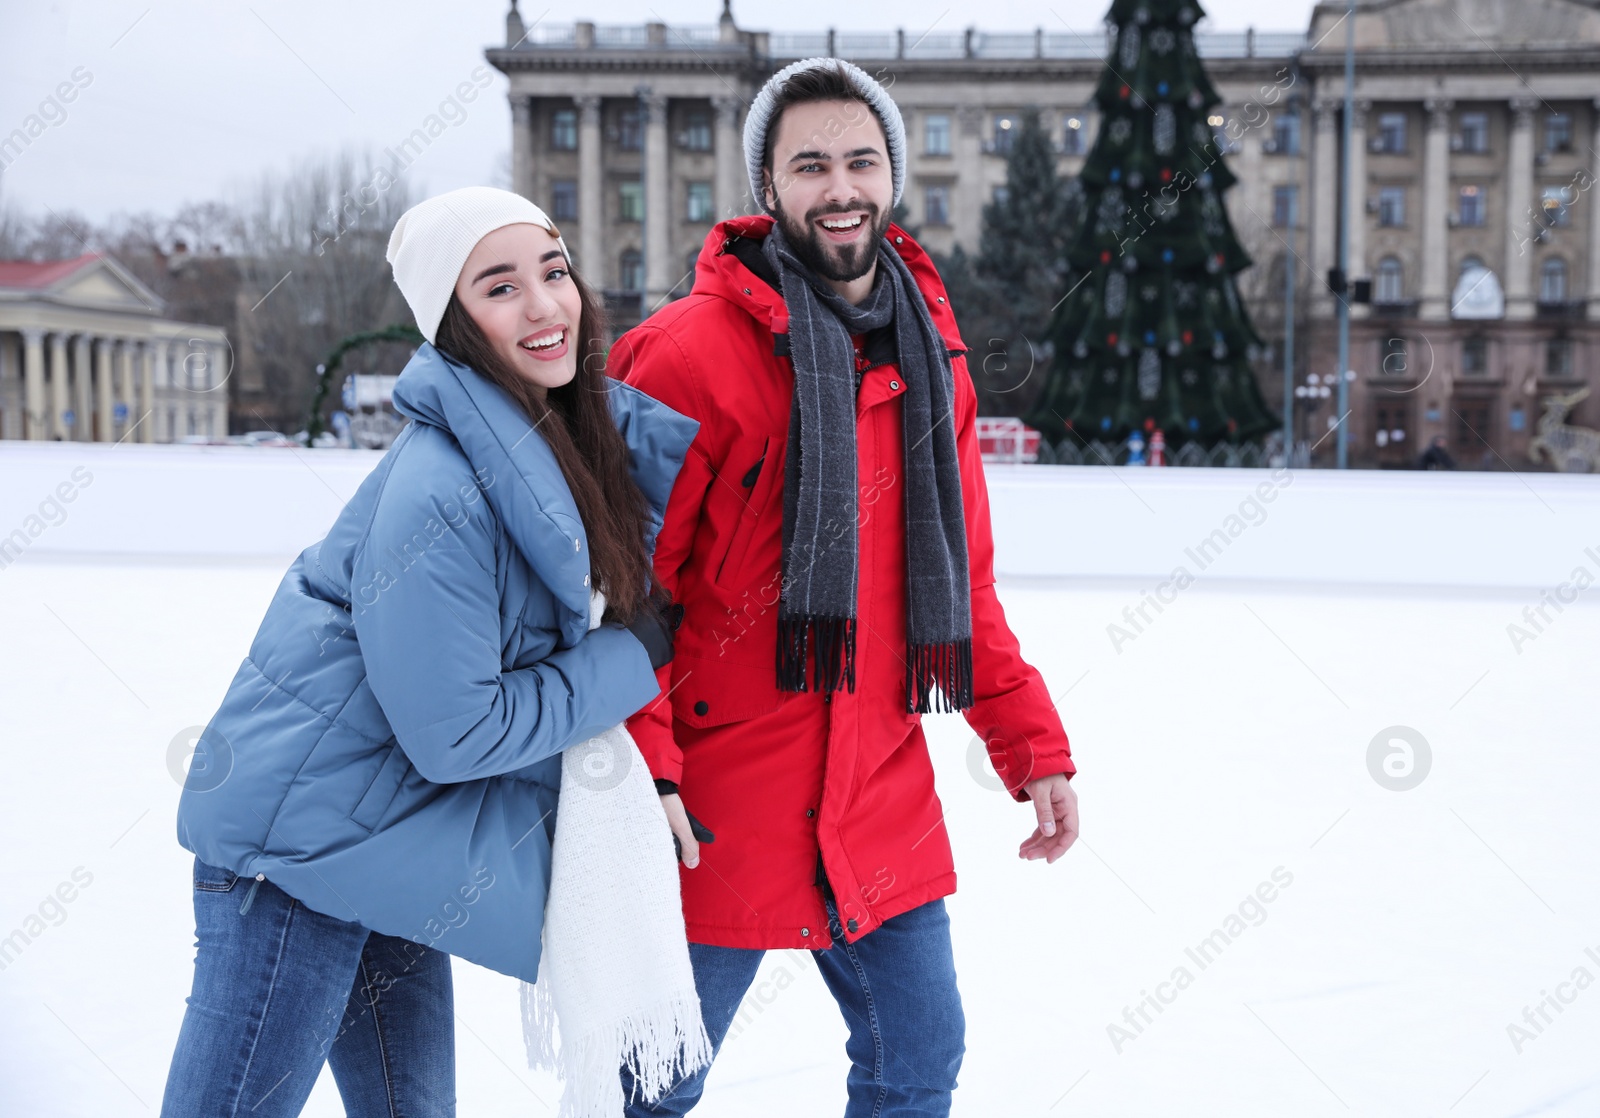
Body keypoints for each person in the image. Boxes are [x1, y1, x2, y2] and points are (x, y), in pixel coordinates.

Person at [606, 59, 1081, 1117]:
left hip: (877, 779)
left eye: (861, 160)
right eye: (809, 163)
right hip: (714, 794)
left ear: (892, 177)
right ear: (767, 186)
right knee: (651, 1082)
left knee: (920, 1055)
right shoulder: (680, 354)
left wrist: (1030, 745)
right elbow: (621, 592)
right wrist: (648, 769)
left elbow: (963, 585)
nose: (839, 187)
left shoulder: (934, 355)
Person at [161, 187, 700, 1117]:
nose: (544, 306)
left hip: (390, 845)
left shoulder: (541, 449)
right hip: (293, 861)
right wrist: (630, 660)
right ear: (454, 324)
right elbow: (457, 733)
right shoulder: (443, 492)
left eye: (554, 271)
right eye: (500, 287)